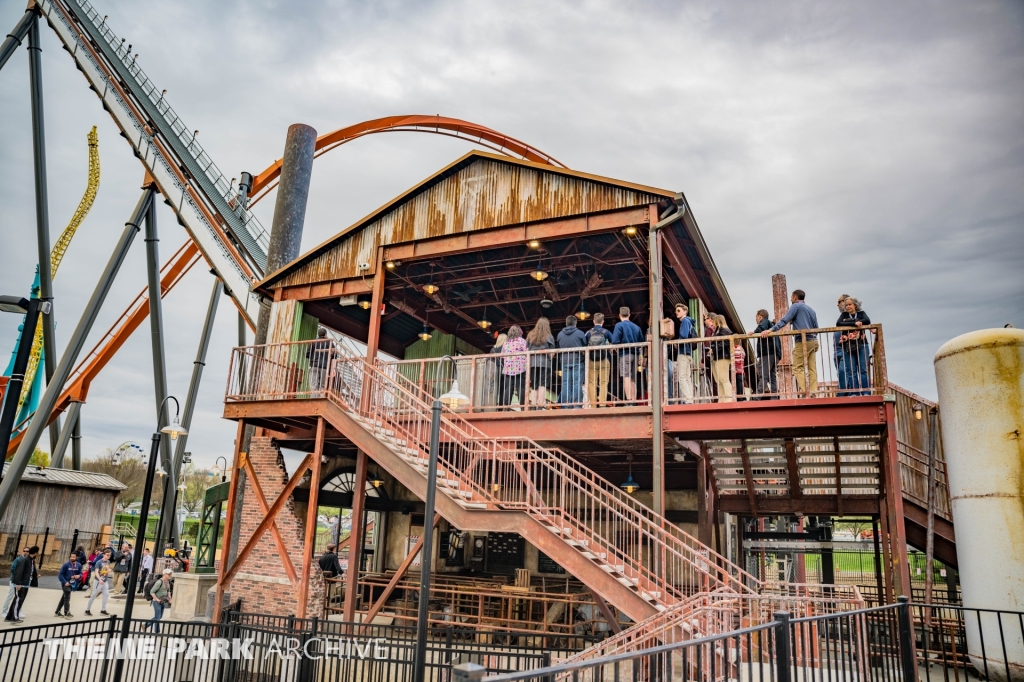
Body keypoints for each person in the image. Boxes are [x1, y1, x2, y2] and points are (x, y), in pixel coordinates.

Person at [762, 290, 819, 396]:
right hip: (814, 340)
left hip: (802, 340)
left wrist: (771, 329)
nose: (791, 299)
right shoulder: (811, 309)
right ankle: (813, 391)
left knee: (797, 367)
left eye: (792, 297)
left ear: (795, 297)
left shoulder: (795, 306)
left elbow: (784, 320)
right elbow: (816, 327)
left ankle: (807, 391)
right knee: (812, 368)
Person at [837, 297, 872, 395]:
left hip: (862, 344)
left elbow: (867, 320)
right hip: (847, 345)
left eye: (850, 304)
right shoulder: (843, 315)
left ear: (855, 305)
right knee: (851, 371)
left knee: (863, 370)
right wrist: (855, 323)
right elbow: (839, 323)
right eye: (846, 305)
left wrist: (848, 322)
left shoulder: (861, 313)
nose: (848, 307)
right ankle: (854, 393)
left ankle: (866, 392)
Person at [611, 307, 644, 403]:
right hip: (635, 354)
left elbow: (615, 341)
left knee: (626, 377)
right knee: (633, 379)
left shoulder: (619, 325)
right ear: (629, 315)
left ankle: (629, 401)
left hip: (624, 354)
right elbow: (642, 341)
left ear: (619, 315)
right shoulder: (636, 327)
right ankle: (634, 400)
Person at [526, 317, 555, 407]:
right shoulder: (549, 336)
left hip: (533, 362)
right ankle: (541, 402)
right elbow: (552, 352)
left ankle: (533, 403)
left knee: (534, 383)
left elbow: (527, 349)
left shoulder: (530, 335)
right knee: (543, 383)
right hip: (545, 363)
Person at [585, 313, 612, 407]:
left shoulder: (588, 333)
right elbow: (615, 341)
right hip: (604, 359)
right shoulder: (607, 332)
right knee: (603, 382)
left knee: (592, 383)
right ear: (603, 322)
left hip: (592, 360)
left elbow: (583, 344)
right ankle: (602, 405)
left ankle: (593, 405)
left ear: (593, 321)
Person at [673, 304, 697, 404]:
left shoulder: (685, 321)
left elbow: (683, 335)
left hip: (683, 352)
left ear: (685, 311)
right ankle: (690, 398)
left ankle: (688, 398)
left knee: (682, 377)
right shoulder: (689, 322)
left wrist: (676, 342)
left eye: (678, 310)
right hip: (688, 352)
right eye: (676, 311)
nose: (676, 312)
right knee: (687, 377)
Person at [754, 309, 780, 399]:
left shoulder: (764, 321)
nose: (756, 319)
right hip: (775, 353)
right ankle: (774, 397)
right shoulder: (771, 325)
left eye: (756, 317)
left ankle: (758, 397)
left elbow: (760, 329)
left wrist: (754, 332)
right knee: (772, 375)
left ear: (760, 316)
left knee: (763, 374)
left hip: (767, 353)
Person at [3, 547, 34, 623]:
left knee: (18, 599)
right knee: (11, 597)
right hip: (15, 581)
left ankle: (16, 613)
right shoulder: (19, 559)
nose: (25, 552)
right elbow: (13, 569)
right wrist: (18, 580)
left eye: (27, 551)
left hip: (22, 582)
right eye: (24, 551)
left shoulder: (30, 560)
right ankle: (4, 611)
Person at [500, 326, 528, 407]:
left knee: (508, 388)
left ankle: (506, 407)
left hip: (508, 368)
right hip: (520, 368)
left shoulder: (506, 342)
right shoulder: (522, 341)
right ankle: (522, 407)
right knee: (521, 388)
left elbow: (502, 355)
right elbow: (527, 353)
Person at [710, 315, 735, 402]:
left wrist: (713, 349)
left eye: (713, 321)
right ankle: (722, 400)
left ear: (717, 321)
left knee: (724, 379)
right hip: (719, 356)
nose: (712, 323)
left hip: (723, 357)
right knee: (719, 380)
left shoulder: (723, 330)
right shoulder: (721, 330)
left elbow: (725, 343)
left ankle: (728, 399)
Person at [305, 327, 335, 392]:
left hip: (314, 366)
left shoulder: (313, 342)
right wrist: (333, 368)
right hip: (324, 367)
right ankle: (321, 397)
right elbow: (334, 356)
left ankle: (313, 398)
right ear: (325, 334)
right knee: (322, 386)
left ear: (318, 335)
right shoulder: (330, 342)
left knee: (313, 387)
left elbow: (307, 354)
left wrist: (313, 359)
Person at [482, 332, 507, 409]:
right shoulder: (506, 349)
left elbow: (490, 360)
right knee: (503, 390)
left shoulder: (493, 349)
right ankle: (502, 407)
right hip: (503, 371)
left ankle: (492, 405)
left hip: (494, 372)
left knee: (493, 389)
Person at [833, 294, 851, 396]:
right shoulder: (842, 317)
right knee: (841, 374)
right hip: (837, 350)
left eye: (839, 302)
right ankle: (845, 392)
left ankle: (842, 395)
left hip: (845, 349)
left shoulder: (851, 316)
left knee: (843, 371)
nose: (838, 304)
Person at [85, 550, 113, 616]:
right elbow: (96, 572)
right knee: (94, 595)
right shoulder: (99, 562)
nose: (108, 556)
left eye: (110, 555)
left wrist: (108, 569)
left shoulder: (108, 562)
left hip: (105, 580)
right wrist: (100, 579)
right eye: (107, 555)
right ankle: (87, 610)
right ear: (104, 555)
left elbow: (108, 570)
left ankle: (103, 610)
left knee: (106, 595)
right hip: (98, 580)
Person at [55, 552, 82, 618]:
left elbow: (81, 573)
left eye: (74, 557)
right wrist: (65, 582)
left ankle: (57, 612)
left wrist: (79, 575)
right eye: (71, 557)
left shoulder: (79, 565)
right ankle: (67, 612)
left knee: (64, 597)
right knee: (67, 596)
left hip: (73, 583)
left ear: (76, 557)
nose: (72, 558)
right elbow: (60, 575)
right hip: (66, 583)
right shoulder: (66, 565)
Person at [146, 569, 173, 634]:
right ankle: (147, 626)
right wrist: (157, 599)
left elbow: (168, 590)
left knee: (159, 617)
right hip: (156, 602)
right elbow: (152, 592)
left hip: (162, 601)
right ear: (164, 574)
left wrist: (169, 596)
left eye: (170, 574)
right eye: (169, 574)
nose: (170, 575)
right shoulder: (159, 582)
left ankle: (156, 631)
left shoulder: (167, 582)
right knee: (157, 617)